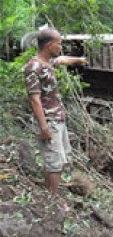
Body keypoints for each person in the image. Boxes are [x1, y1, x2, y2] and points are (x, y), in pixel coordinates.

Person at [24, 28, 87, 196]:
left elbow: (62, 60)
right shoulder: (34, 67)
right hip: (49, 121)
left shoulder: (48, 63)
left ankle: (49, 193)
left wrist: (79, 60)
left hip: (57, 119)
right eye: (59, 44)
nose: (60, 47)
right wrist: (43, 126)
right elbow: (34, 99)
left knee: (59, 159)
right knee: (54, 162)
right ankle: (54, 200)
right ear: (49, 45)